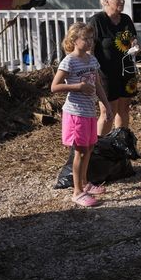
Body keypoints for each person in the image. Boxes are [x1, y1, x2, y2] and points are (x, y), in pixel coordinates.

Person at [51, 22, 113, 207]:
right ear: (74, 40)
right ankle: (77, 192)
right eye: (85, 39)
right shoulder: (69, 61)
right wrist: (77, 86)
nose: (89, 42)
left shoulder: (92, 59)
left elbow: (98, 85)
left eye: (91, 38)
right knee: (80, 151)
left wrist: (107, 106)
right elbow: (54, 86)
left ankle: (85, 183)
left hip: (89, 111)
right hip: (75, 112)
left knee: (90, 147)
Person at [89, 0, 140, 137]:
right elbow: (89, 50)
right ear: (106, 1)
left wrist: (136, 46)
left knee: (124, 109)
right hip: (105, 74)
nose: (122, 2)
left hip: (126, 72)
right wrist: (92, 75)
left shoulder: (126, 20)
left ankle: (120, 145)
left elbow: (133, 40)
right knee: (108, 112)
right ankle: (98, 148)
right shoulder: (97, 21)